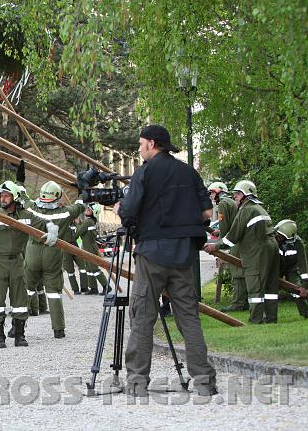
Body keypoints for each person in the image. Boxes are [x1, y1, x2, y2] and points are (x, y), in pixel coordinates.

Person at [117, 124, 217, 397]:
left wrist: (119, 209)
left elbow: (129, 211)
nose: (139, 149)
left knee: (143, 317)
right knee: (189, 318)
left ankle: (137, 382)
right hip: (184, 254)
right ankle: (205, 382)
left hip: (151, 253)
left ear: (151, 143)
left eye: (141, 144)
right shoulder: (188, 172)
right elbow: (207, 213)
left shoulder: (145, 172)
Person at [0, 180, 58, 348]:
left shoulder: (26, 216)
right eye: (1, 196)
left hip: (17, 260)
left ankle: (19, 335)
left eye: (6, 196)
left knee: (20, 299)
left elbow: (44, 221)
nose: (2, 198)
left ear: (15, 197)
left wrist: (52, 229)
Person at [204, 180, 280, 324]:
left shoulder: (246, 210)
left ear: (247, 195)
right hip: (272, 247)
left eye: (238, 194)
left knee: (255, 285)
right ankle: (271, 318)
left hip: (257, 251)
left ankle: (255, 319)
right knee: (271, 286)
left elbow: (233, 236)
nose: (235, 197)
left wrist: (215, 246)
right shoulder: (259, 208)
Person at [23, 181, 84, 338]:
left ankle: (18, 327)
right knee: (54, 293)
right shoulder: (66, 213)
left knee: (27, 289)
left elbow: (22, 196)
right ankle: (58, 330)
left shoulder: (31, 209)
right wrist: (82, 190)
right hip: (53, 254)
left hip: (33, 252)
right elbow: (80, 205)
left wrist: (20, 179)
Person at [206, 182, 246, 312]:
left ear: (219, 191)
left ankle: (238, 303)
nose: (211, 196)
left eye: (212, 192)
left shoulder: (223, 203)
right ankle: (243, 301)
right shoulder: (230, 202)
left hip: (236, 242)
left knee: (237, 272)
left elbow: (224, 228)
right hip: (240, 240)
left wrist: (217, 244)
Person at [274, 219, 308, 318]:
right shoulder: (272, 240)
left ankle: (306, 313)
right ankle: (268, 316)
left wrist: (305, 286)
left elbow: (303, 264)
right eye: (277, 235)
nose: (278, 237)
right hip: (276, 268)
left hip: (292, 268)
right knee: (270, 290)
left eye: (280, 236)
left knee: (297, 289)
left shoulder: (298, 243)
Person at [75, 203, 111, 295]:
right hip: (87, 247)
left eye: (89, 209)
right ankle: (93, 288)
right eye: (87, 208)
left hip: (89, 248)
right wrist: (80, 223)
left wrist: (77, 224)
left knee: (94, 269)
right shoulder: (89, 221)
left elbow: (77, 233)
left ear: (94, 213)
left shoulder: (88, 222)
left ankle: (106, 287)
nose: (87, 210)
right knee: (89, 269)